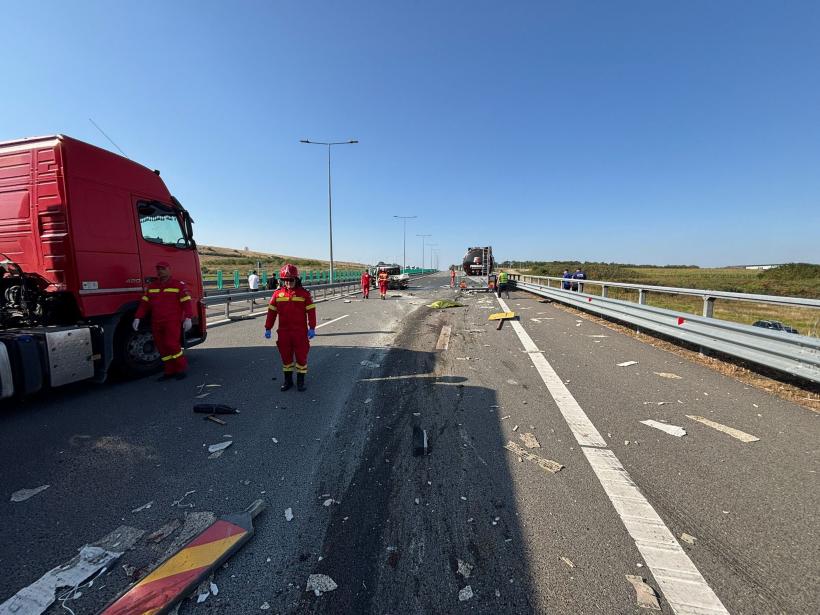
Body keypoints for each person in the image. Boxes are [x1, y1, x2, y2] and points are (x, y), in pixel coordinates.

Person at [133, 261, 193, 381]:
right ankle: (169, 371)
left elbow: (186, 302)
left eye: (163, 268)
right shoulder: (152, 287)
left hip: (172, 321)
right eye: (158, 269)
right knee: (161, 347)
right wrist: (137, 317)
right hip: (156, 321)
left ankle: (181, 368)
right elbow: (144, 304)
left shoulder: (178, 285)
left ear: (169, 270)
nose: (160, 271)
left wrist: (188, 318)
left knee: (172, 345)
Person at [264, 263, 316, 392]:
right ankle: (288, 381)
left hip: (300, 333)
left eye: (291, 280)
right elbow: (271, 312)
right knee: (286, 358)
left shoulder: (304, 294)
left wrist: (312, 327)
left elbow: (311, 311)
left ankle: (300, 382)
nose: (288, 283)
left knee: (301, 358)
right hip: (284, 333)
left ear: (297, 279)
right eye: (285, 280)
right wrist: (268, 327)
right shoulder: (277, 294)